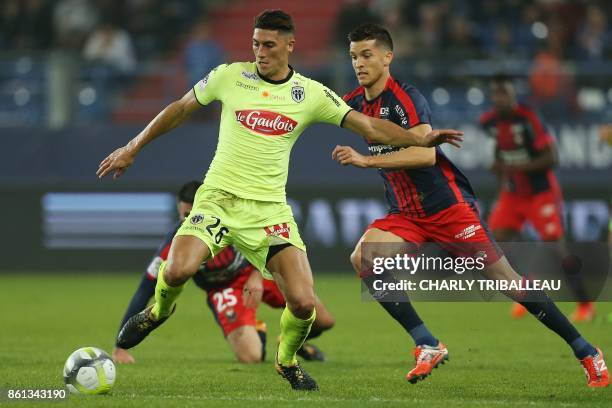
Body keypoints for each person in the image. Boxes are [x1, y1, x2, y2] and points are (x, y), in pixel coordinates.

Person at [96, 9, 462, 391]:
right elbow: (181, 108)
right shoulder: (228, 76)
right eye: (256, 44)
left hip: (269, 211)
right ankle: (157, 311)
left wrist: (419, 138)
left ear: (290, 46)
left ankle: (286, 361)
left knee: (304, 303)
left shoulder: (311, 94)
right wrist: (132, 146)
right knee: (176, 271)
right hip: (219, 198)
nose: (260, 52)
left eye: (269, 45)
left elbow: (368, 125)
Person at [333, 23, 608, 388]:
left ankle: (587, 351)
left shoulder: (406, 99)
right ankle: (427, 343)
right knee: (362, 258)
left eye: (367, 55)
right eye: (354, 56)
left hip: (448, 210)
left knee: (509, 284)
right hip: (406, 214)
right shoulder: (353, 102)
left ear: (388, 57)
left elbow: (425, 155)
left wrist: (367, 161)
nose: (359, 63)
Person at [112, 181, 333, 365]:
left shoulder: (233, 216)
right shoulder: (175, 245)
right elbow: (144, 290)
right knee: (251, 356)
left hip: (256, 271)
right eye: (184, 215)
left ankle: (294, 341)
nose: (190, 220)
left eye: (194, 213)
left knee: (322, 320)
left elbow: (273, 240)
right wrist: (120, 346)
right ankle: (256, 328)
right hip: (223, 289)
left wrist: (256, 275)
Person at [480, 74, 594, 321]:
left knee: (556, 247)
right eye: (496, 95)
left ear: (513, 96)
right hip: (512, 194)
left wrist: (515, 166)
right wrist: (500, 170)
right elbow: (501, 148)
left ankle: (585, 304)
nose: (501, 99)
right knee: (496, 243)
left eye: (505, 94)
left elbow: (552, 157)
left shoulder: (528, 118)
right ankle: (527, 290)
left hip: (540, 193)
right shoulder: (489, 122)